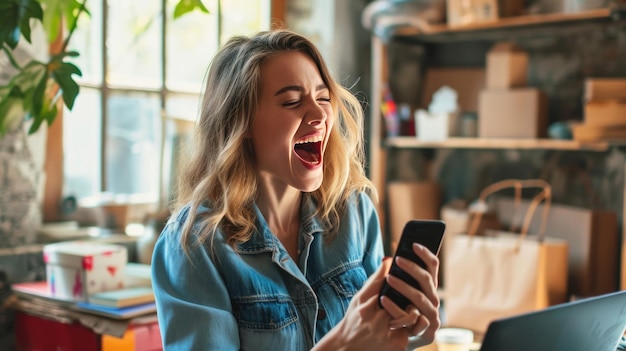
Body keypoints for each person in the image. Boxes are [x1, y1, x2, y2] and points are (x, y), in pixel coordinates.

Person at [151, 29, 440, 350]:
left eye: (323, 98)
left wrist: (410, 335)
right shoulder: (194, 246)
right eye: (291, 102)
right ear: (241, 122)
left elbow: (379, 339)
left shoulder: (354, 211)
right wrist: (340, 345)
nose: (319, 115)